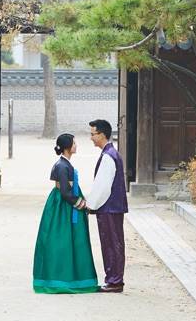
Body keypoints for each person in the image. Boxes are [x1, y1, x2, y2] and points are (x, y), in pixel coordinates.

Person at [32, 133, 100, 294]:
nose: (76, 145)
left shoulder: (63, 164)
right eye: (74, 143)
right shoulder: (62, 166)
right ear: (68, 146)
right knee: (63, 241)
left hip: (63, 204)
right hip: (64, 207)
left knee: (63, 240)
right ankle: (63, 280)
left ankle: (66, 278)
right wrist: (82, 205)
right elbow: (65, 192)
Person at [85, 119, 127, 293]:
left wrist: (90, 205)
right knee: (113, 242)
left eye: (92, 134)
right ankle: (113, 279)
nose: (91, 138)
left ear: (101, 135)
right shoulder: (110, 154)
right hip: (112, 207)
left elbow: (102, 186)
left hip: (109, 208)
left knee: (111, 243)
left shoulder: (108, 156)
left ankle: (115, 280)